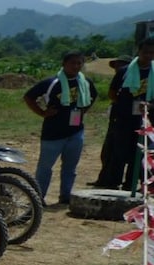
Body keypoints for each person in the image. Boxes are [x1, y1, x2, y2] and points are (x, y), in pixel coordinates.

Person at [22, 51, 99, 204]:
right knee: (45, 168)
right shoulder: (52, 82)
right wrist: (42, 113)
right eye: (72, 63)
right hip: (53, 132)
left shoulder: (85, 82)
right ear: (64, 64)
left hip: (76, 131)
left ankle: (65, 196)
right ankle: (38, 198)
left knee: (70, 168)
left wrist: (84, 111)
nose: (76, 66)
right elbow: (28, 97)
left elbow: (93, 96)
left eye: (79, 63)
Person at [99, 38, 154, 191]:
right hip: (124, 119)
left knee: (139, 153)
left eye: (152, 53)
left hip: (146, 120)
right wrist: (124, 104)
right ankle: (112, 183)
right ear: (139, 51)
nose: (148, 56)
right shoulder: (124, 71)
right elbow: (112, 93)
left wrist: (149, 106)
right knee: (119, 151)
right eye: (145, 52)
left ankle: (130, 184)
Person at [90, 54, 137, 188]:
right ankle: (106, 179)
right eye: (116, 65)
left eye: (121, 65)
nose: (118, 68)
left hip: (129, 120)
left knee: (123, 153)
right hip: (118, 119)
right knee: (109, 152)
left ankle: (124, 182)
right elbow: (112, 95)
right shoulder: (120, 79)